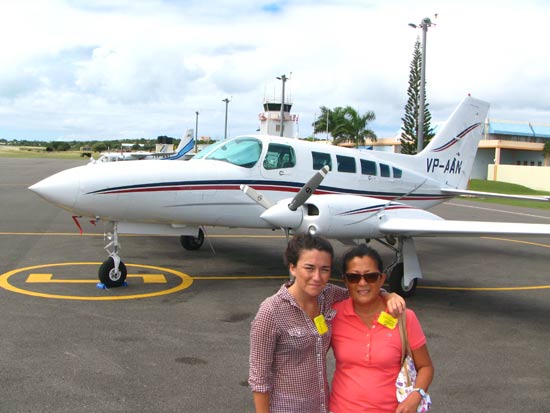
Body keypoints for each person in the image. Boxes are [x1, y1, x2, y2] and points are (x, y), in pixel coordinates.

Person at [248, 234, 405, 413]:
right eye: (309, 268)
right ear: (292, 267)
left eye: (324, 269)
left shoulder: (327, 295)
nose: (317, 277)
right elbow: (259, 378)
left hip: (320, 405)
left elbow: (362, 290)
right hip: (285, 407)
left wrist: (389, 295)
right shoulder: (271, 311)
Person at [330, 244, 434, 413]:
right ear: (345, 281)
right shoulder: (335, 315)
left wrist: (416, 396)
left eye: (370, 276)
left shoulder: (404, 317)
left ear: (382, 279)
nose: (362, 283)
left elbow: (426, 367)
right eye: (354, 277)